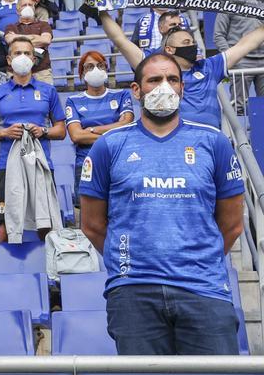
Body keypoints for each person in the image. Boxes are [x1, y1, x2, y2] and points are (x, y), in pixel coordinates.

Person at [79, 53, 245, 355]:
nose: (164, 87)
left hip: (203, 290)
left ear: (182, 88)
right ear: (136, 90)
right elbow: (92, 225)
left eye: (172, 79)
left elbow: (232, 224)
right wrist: (134, 259)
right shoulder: (109, 146)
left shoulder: (214, 142)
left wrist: (197, 258)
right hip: (134, 292)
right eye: (154, 80)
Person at [98, 0, 264, 129]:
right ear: (169, 49)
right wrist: (102, 10)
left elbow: (248, 43)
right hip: (174, 140)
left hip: (210, 140)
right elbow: (119, 39)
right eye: (185, 43)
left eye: (192, 42)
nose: (191, 46)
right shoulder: (153, 65)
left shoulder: (210, 67)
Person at [0, 37, 67, 243]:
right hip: (7, 167)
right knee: (3, 227)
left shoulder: (48, 91)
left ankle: (48, 273)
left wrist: (43, 131)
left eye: (27, 53)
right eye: (17, 53)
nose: (23, 57)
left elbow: (61, 131)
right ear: (9, 60)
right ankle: (5, 274)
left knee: (45, 224)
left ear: (34, 59)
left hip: (41, 164)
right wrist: (5, 133)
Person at [65, 51, 133, 220]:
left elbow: (126, 126)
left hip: (117, 162)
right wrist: (113, 131)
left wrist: (91, 130)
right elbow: (76, 136)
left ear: (106, 69)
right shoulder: (73, 100)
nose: (95, 69)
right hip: (86, 164)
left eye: (100, 65)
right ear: (82, 73)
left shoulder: (122, 95)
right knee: (89, 221)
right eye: (89, 66)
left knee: (120, 216)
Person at [215, 0, 264, 104]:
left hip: (263, 61)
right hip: (241, 62)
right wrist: (231, 57)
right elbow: (219, 35)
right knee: (239, 105)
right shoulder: (230, 4)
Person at [3, 0, 54, 85]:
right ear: (18, 10)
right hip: (15, 72)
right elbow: (9, 40)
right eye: (24, 5)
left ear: (34, 9)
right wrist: (35, 37)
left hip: (41, 71)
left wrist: (17, 37)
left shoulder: (44, 25)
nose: (27, 7)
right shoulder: (10, 27)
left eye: (30, 5)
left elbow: (46, 40)